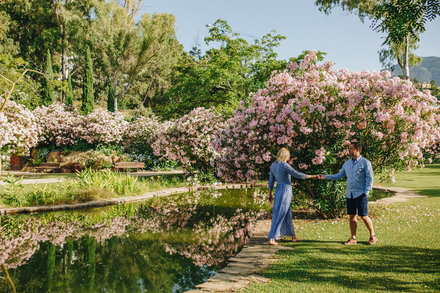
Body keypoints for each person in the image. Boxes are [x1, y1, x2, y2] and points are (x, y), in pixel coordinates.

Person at [319, 141, 378, 245]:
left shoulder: (365, 162)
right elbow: (339, 175)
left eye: (351, 148)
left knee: (363, 216)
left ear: (357, 150)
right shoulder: (347, 163)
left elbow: (370, 179)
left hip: (361, 194)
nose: (348, 150)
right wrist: (326, 177)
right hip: (349, 193)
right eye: (349, 148)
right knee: (351, 216)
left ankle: (372, 235)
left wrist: (366, 192)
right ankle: (353, 238)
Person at [267, 147, 318, 245]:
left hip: (278, 190)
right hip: (285, 190)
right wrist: (312, 176)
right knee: (280, 213)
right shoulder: (285, 166)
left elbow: (271, 181)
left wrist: (270, 194)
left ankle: (293, 235)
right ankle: (272, 237)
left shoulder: (273, 166)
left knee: (287, 212)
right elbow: (297, 174)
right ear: (285, 156)